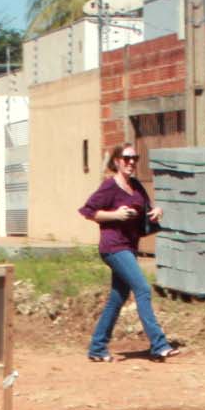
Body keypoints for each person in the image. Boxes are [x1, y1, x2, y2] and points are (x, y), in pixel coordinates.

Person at [81, 143, 180, 362]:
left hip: (128, 246)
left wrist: (156, 212)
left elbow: (146, 209)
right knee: (143, 289)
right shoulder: (109, 187)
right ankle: (159, 344)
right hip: (113, 247)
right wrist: (114, 215)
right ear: (117, 161)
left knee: (118, 297)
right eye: (127, 158)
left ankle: (97, 347)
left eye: (135, 158)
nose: (132, 162)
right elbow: (88, 212)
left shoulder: (135, 186)